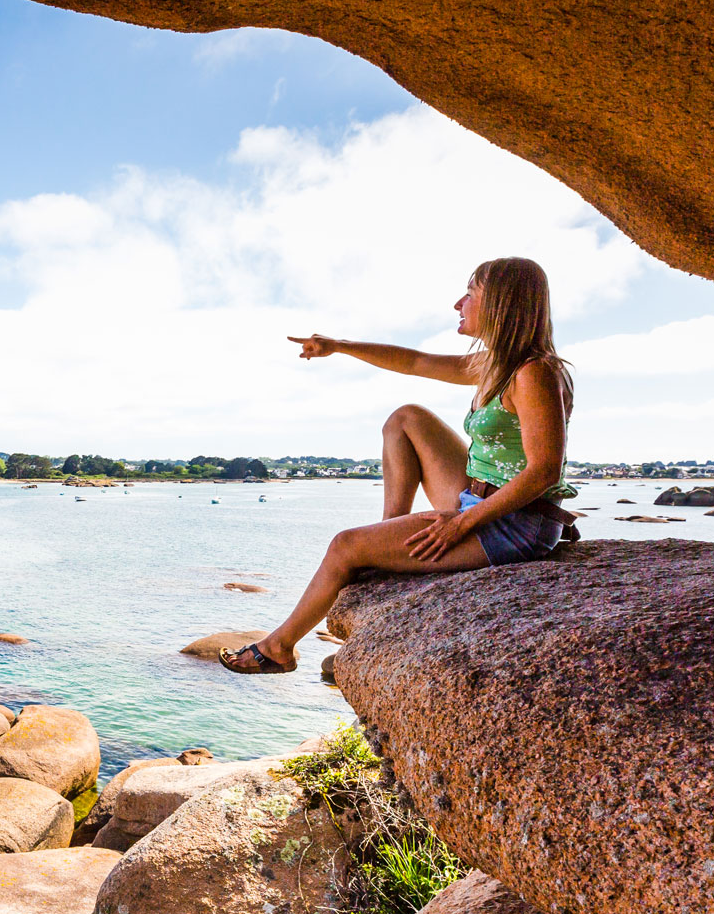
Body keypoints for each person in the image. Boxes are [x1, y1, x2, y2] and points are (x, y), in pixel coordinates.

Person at [220, 256, 578, 675]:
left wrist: (461, 524)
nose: (458, 303)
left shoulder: (534, 373)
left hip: (514, 521)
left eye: (470, 293)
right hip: (479, 499)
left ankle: (279, 648)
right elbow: (414, 362)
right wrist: (339, 346)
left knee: (344, 546)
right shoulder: (497, 364)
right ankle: (389, 531)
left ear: (500, 303)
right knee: (406, 418)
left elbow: (544, 471)